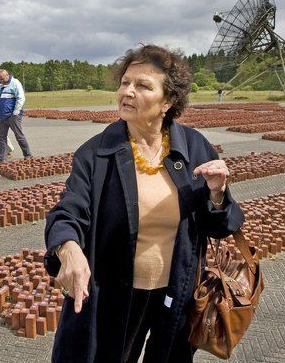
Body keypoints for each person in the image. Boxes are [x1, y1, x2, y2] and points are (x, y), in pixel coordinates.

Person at [44, 44, 245, 363]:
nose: (128, 91)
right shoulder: (95, 154)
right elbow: (68, 212)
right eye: (125, 82)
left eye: (142, 85)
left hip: (176, 293)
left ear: (168, 101)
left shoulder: (194, 146)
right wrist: (68, 249)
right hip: (114, 295)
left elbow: (219, 226)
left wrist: (218, 194)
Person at [0, 68, 32, 162]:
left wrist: (15, 112)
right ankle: (1, 159)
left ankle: (28, 155)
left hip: (13, 115)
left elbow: (21, 98)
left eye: (2, 79)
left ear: (7, 75)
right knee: (1, 137)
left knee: (19, 135)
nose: (1, 81)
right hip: (2, 117)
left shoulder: (15, 83)